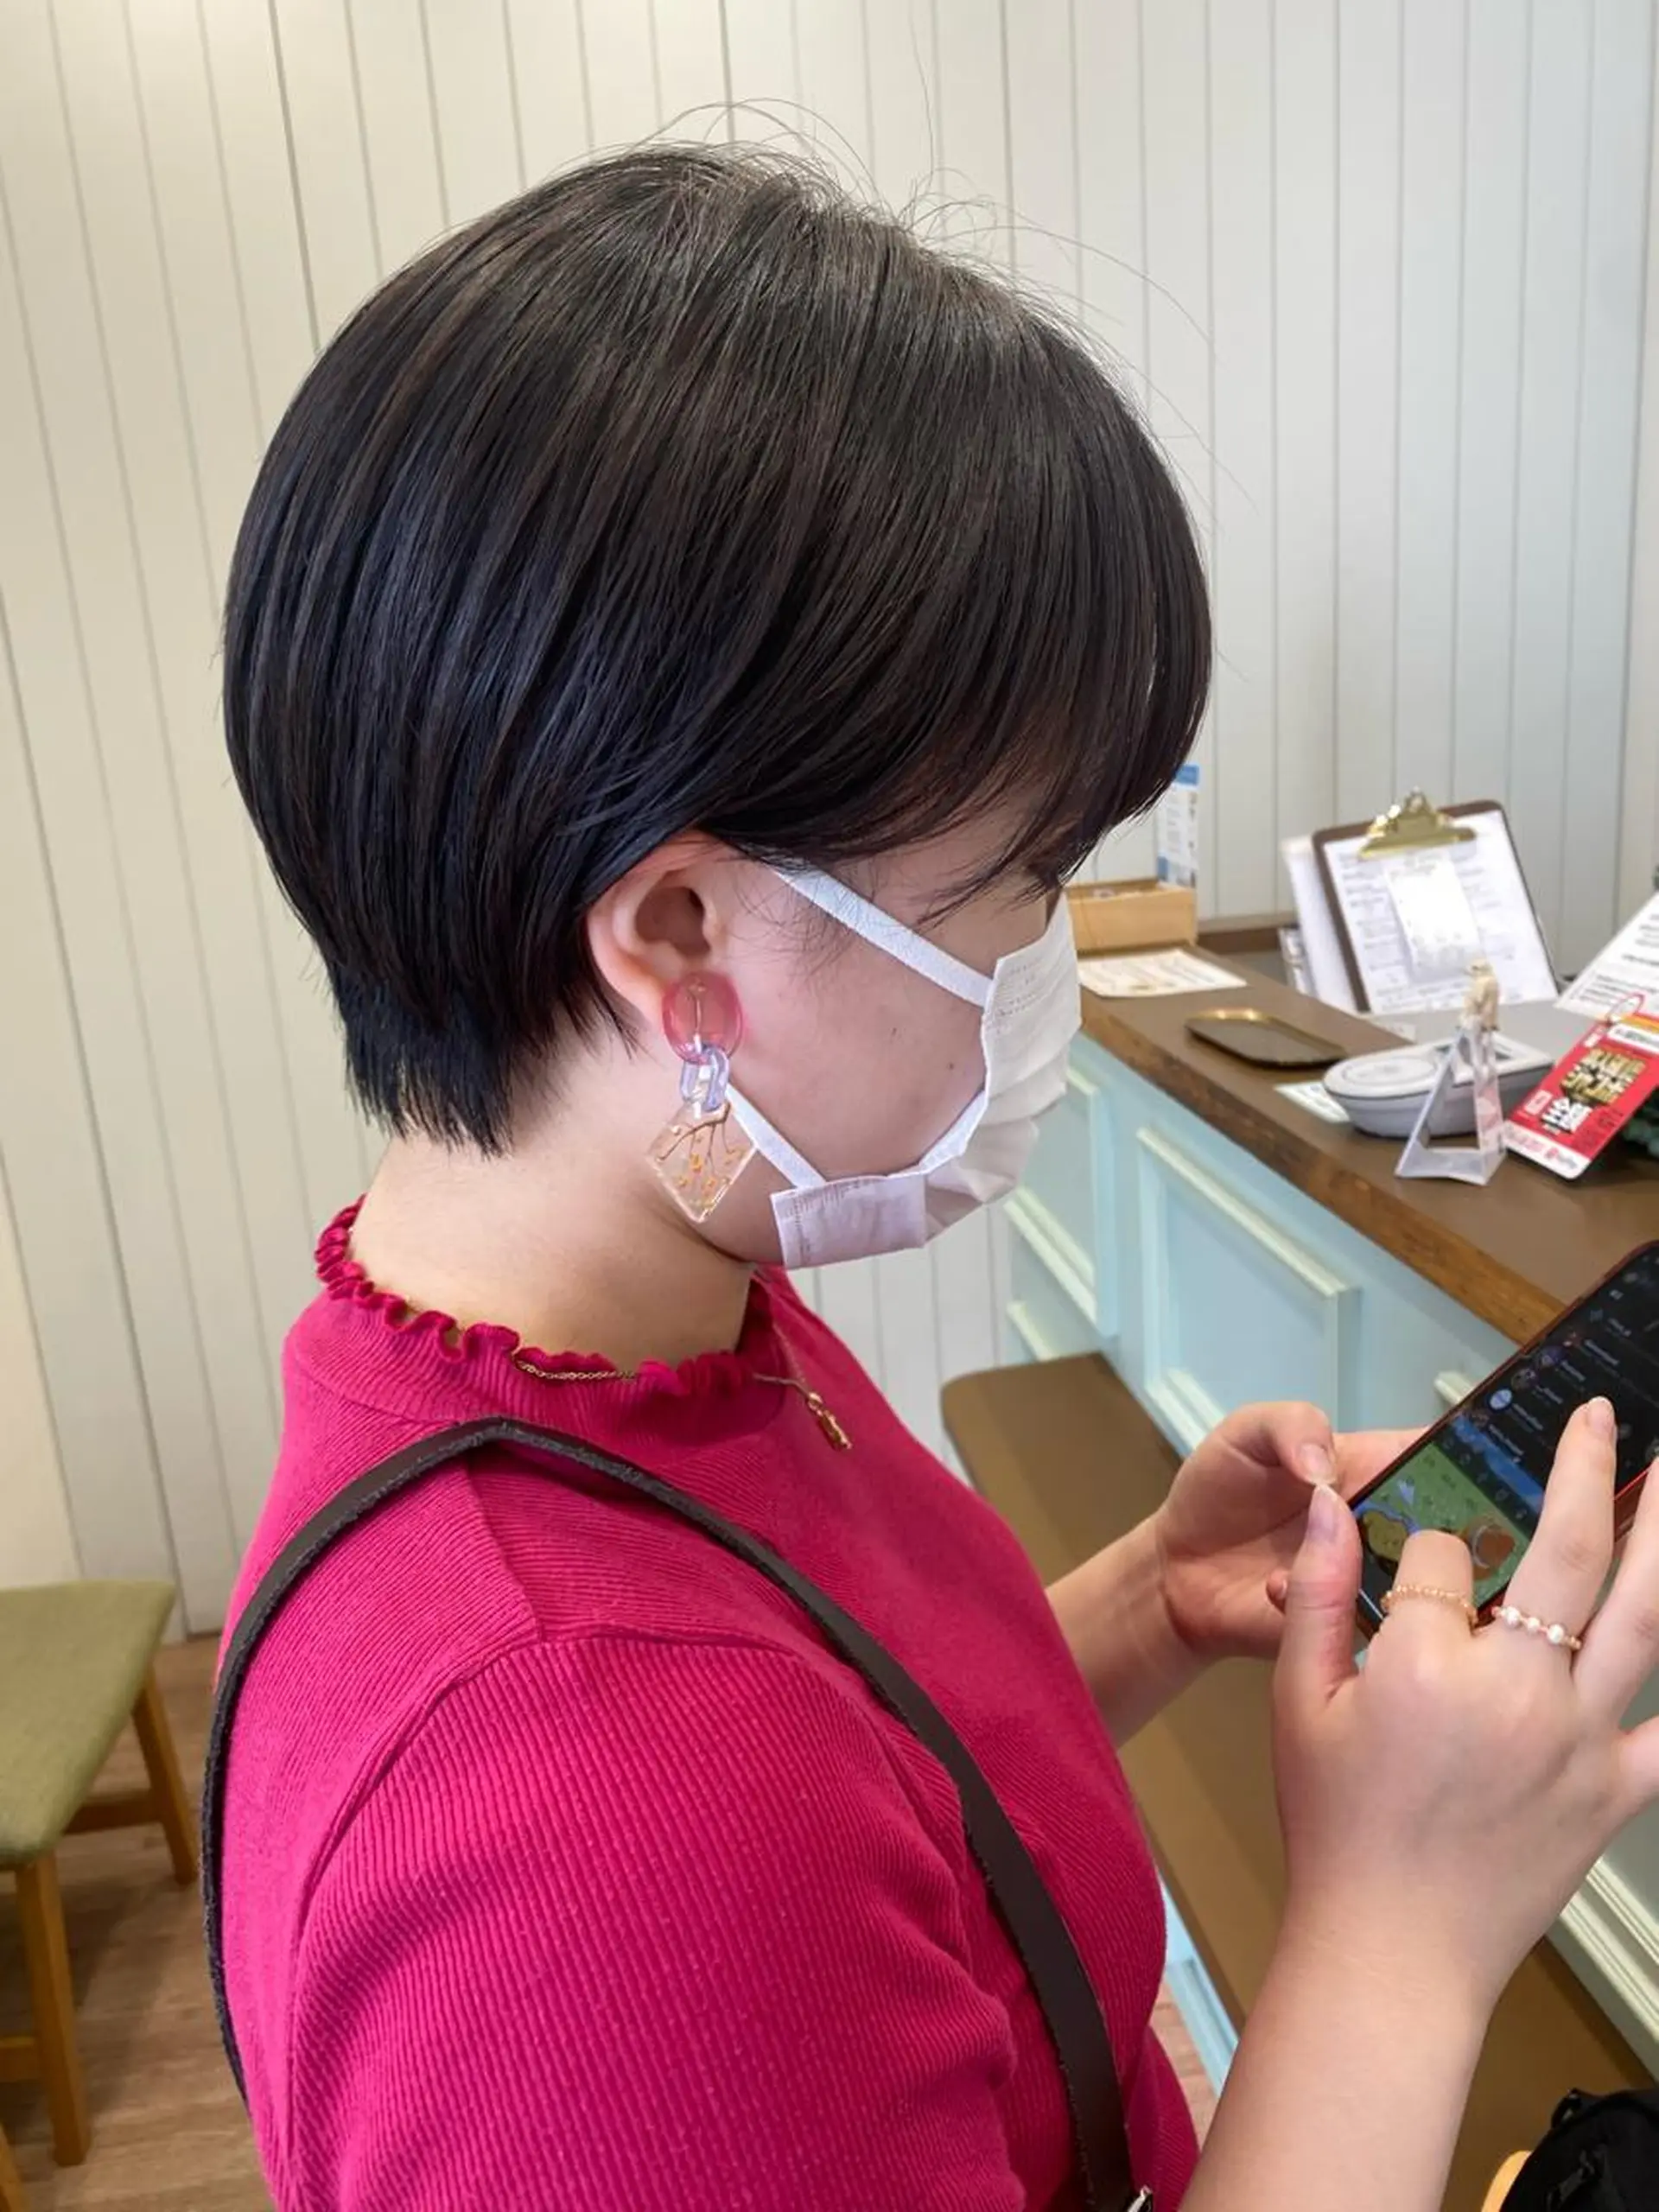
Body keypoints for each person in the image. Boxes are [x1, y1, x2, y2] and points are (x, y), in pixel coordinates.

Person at [218, 144, 1659, 2211]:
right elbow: (729, 1858)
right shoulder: (583, 1839)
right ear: (684, 936)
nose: (1056, 953)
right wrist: (1404, 1939)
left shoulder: (643, 1322)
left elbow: (853, 1793)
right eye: (1030, 880)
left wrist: (1141, 1603)